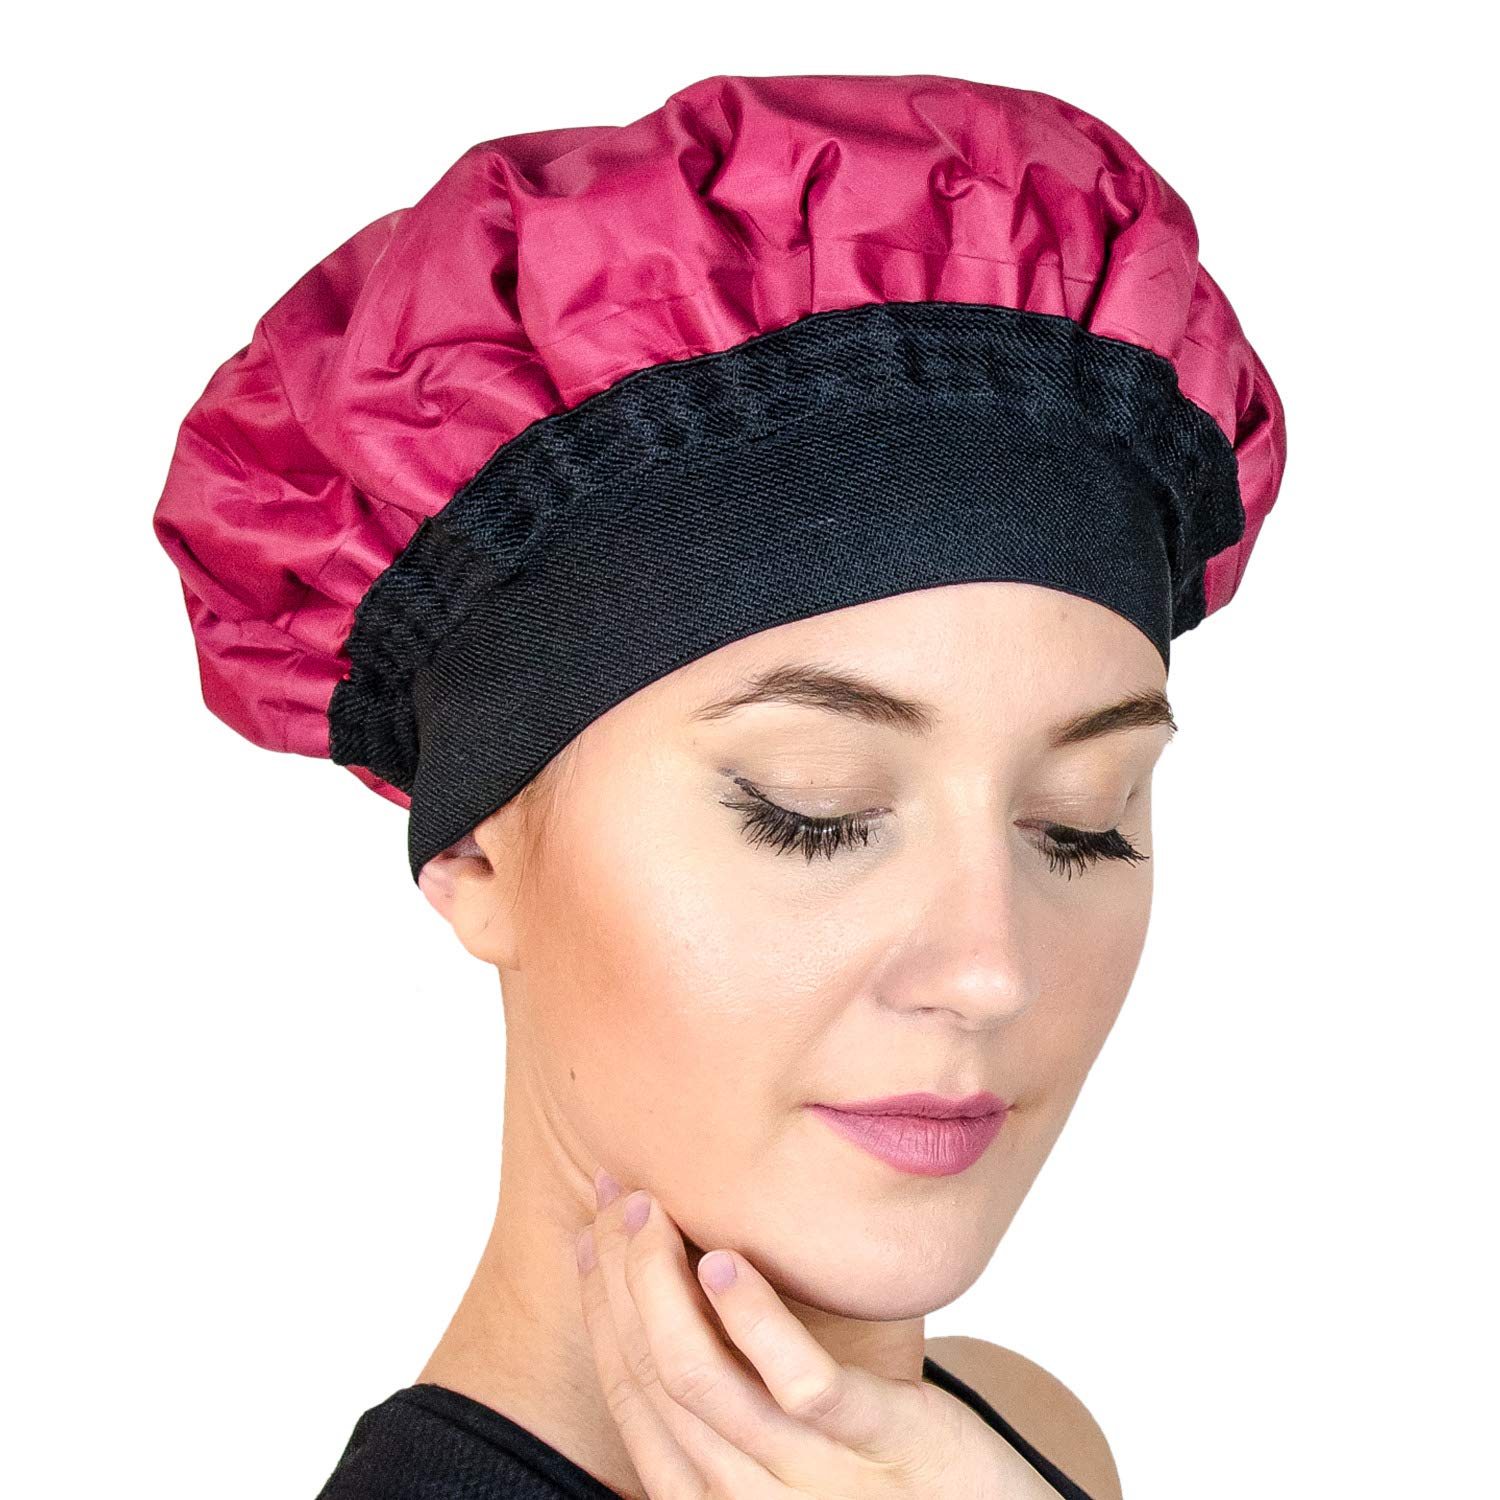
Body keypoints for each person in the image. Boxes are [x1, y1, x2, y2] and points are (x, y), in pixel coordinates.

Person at [151, 71, 1287, 1500]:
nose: (990, 970)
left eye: (1081, 823)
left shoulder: (1013, 1447)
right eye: (814, 810)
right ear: (479, 858)